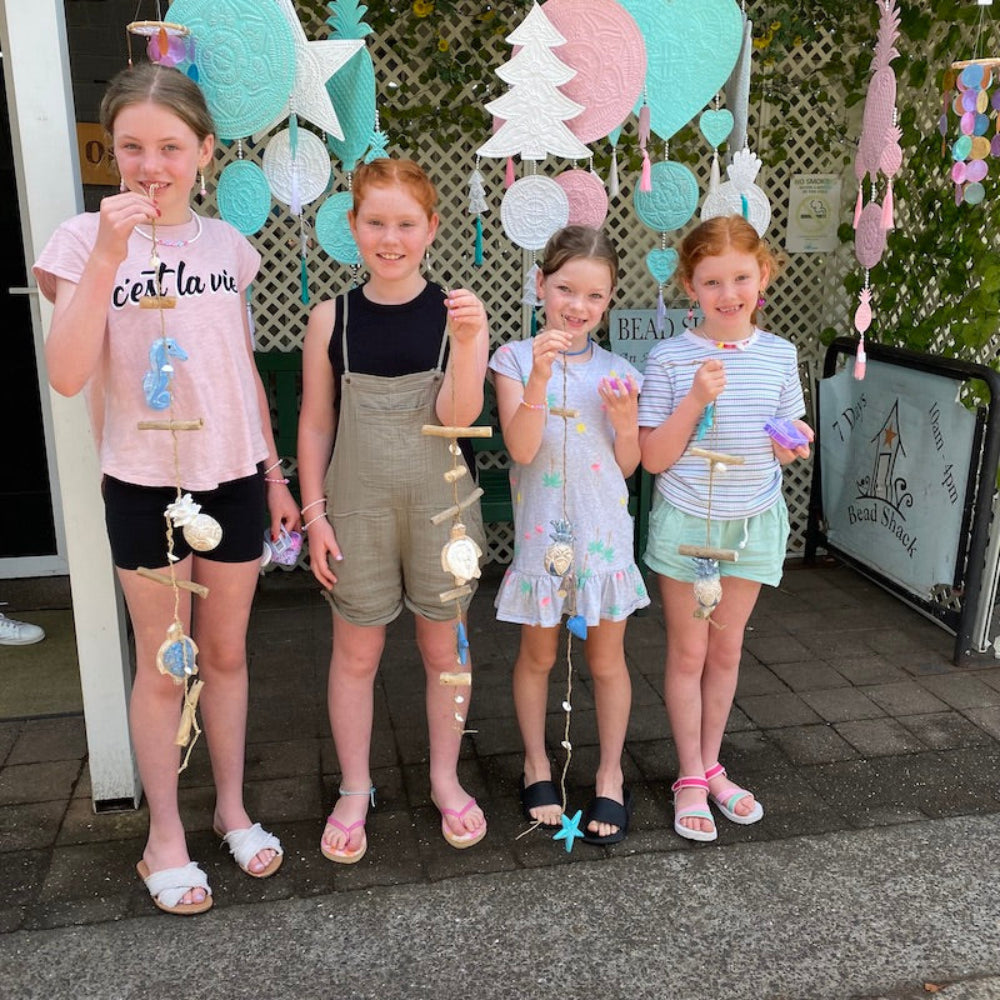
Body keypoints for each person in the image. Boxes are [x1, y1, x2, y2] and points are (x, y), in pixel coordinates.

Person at [34, 63, 299, 914]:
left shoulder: (227, 247)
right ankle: (164, 840)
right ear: (111, 151)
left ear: (206, 152)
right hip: (144, 486)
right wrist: (111, 253)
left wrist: (273, 472)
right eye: (132, 146)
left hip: (232, 481)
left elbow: (240, 369)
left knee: (225, 657)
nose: (152, 164)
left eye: (172, 147)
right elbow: (68, 375)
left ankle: (230, 811)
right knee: (164, 667)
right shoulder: (83, 240)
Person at [297, 158, 490, 862]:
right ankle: (354, 786)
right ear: (352, 228)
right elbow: (317, 424)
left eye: (406, 223)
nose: (390, 237)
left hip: (441, 512)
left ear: (431, 229)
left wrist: (469, 346)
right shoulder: (331, 318)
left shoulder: (458, 316)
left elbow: (460, 418)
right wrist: (315, 515)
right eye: (375, 222)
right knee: (356, 652)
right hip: (356, 511)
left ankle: (444, 776)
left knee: (445, 650)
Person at [637, 214, 813, 843]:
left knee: (728, 648)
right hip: (688, 520)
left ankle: (712, 764)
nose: (729, 293)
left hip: (753, 519)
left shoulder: (780, 355)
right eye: (712, 281)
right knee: (688, 651)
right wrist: (694, 400)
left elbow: (786, 434)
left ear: (762, 275)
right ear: (690, 285)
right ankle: (688, 775)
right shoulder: (670, 357)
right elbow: (653, 459)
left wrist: (793, 445)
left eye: (741, 277)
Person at [489, 225, 649, 845]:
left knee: (607, 662)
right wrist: (536, 376)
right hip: (541, 538)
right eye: (565, 289)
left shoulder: (618, 371)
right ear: (540, 286)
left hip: (603, 537)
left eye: (595, 296)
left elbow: (629, 464)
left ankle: (609, 773)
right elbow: (522, 447)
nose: (578, 307)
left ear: (609, 301)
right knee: (538, 655)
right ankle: (535, 761)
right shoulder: (511, 359)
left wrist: (627, 422)